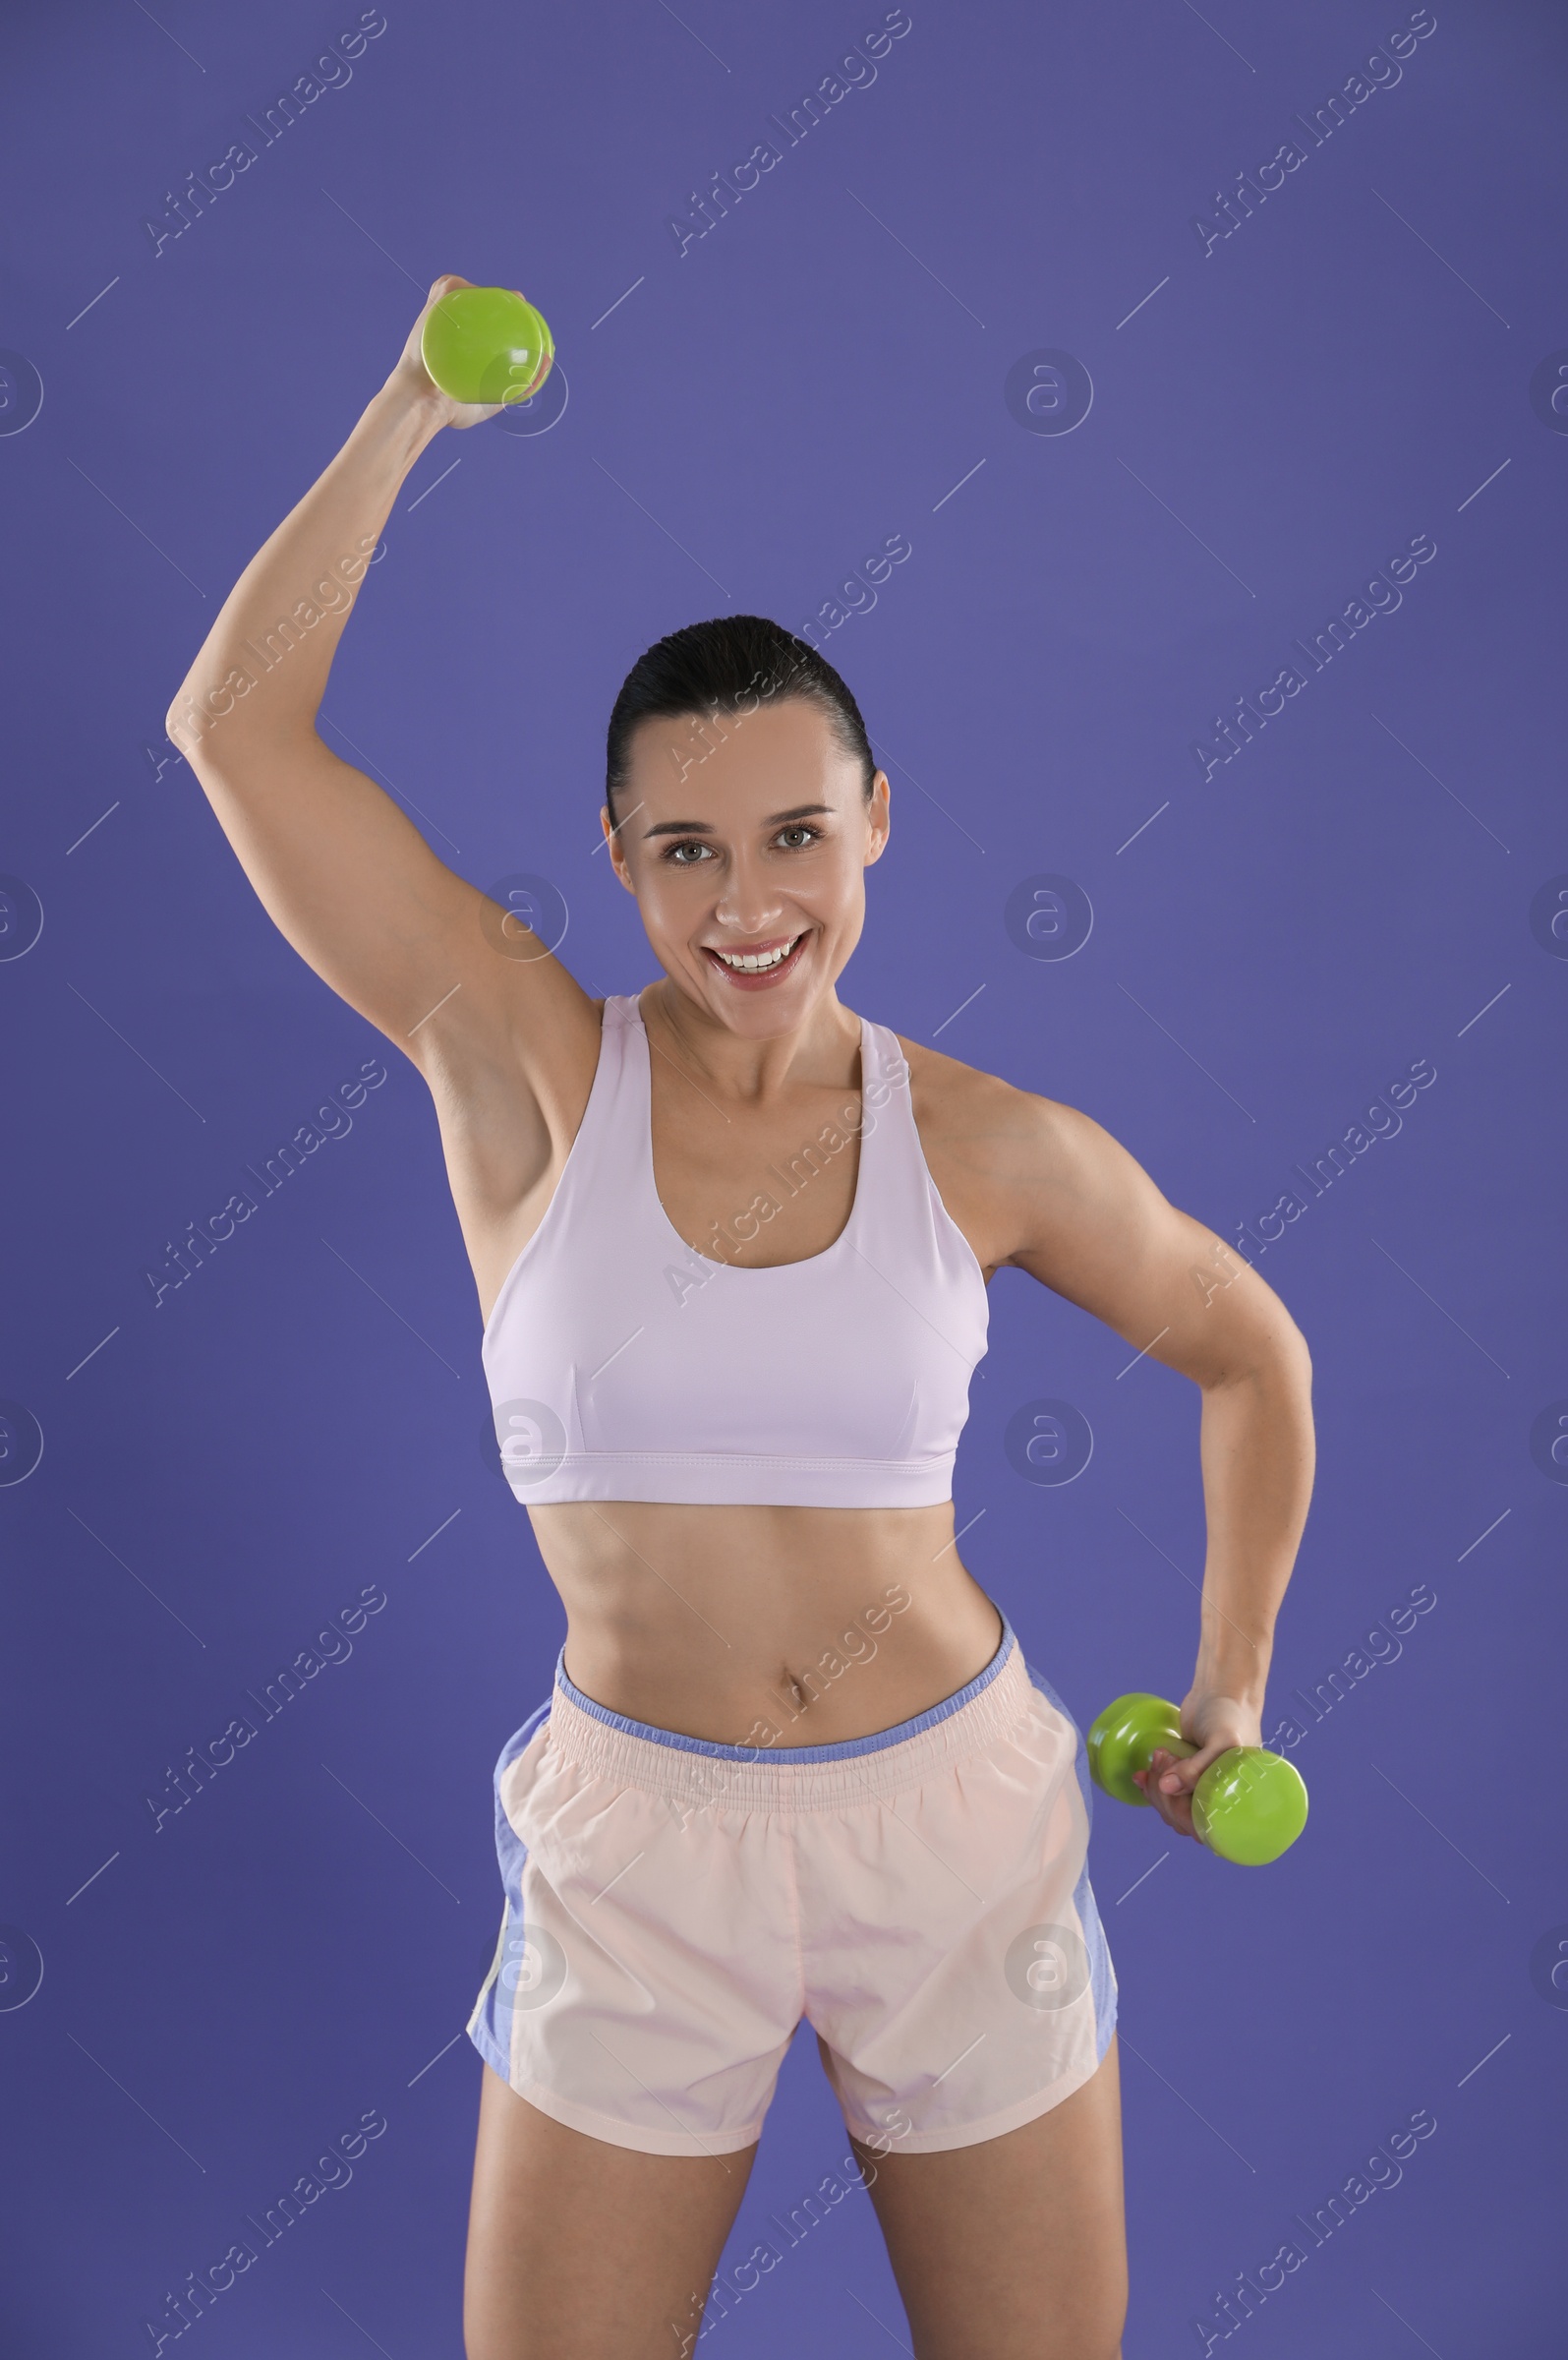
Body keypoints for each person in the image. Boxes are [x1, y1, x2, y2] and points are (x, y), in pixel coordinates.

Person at [167, 274, 1315, 2360]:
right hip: (638, 1843)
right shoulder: (518, 1067)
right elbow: (234, 733)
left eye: (795, 832)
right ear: (613, 858)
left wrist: (1227, 1685)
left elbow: (1251, 1350)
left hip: (949, 1823)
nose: (744, 900)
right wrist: (416, 402)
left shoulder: (990, 1146)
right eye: (684, 850)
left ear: (877, 821)